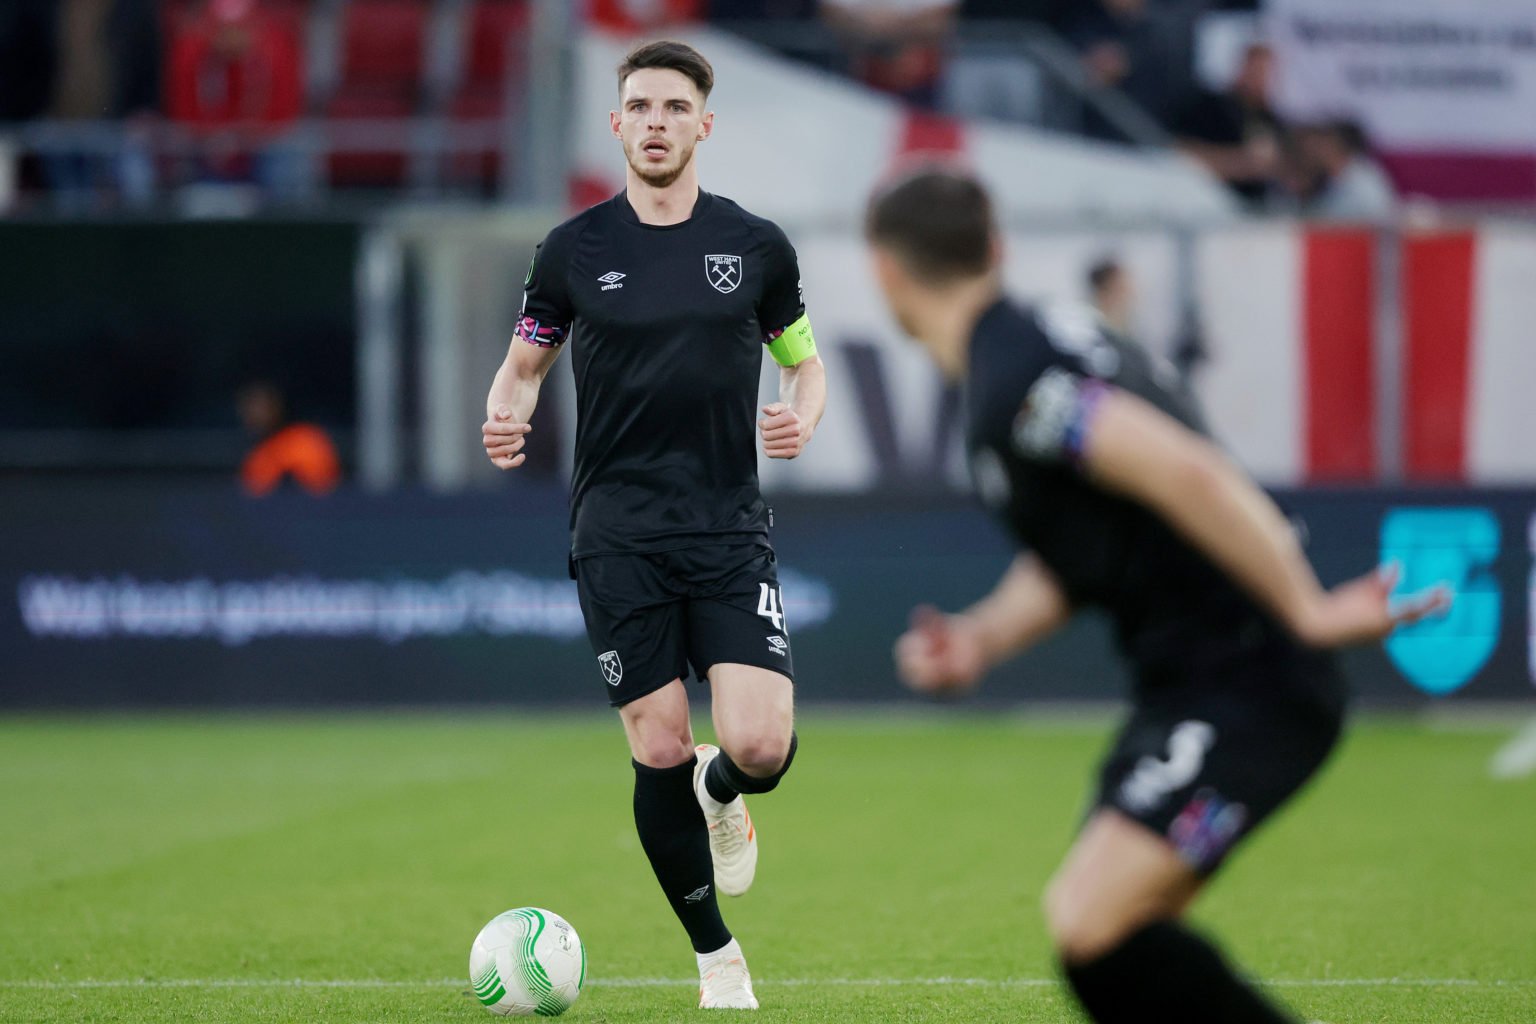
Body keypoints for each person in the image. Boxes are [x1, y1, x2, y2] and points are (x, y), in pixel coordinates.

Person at [864, 168, 1449, 1024]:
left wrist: (1307, 609)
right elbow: (1089, 551)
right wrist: (982, 638)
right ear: (997, 247)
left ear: (884, 271)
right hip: (1194, 684)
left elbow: (1185, 471)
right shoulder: (1034, 345)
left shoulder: (1017, 380)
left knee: (1094, 924)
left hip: (1249, 678)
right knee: (1114, 932)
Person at [479, 40, 826, 1011]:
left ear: (703, 124)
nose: (659, 120)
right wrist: (505, 405)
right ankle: (717, 956)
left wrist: (806, 407)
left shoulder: (756, 247)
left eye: (676, 106)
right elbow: (525, 362)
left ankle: (725, 800)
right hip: (617, 533)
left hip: (724, 528)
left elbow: (804, 360)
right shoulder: (573, 250)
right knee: (660, 745)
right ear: (618, 124)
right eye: (642, 105)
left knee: (758, 748)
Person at [237, 380, 341, 497]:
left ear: (276, 406)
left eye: (260, 406)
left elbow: (323, 486)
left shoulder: (305, 439)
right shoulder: (256, 454)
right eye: (249, 408)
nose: (254, 414)